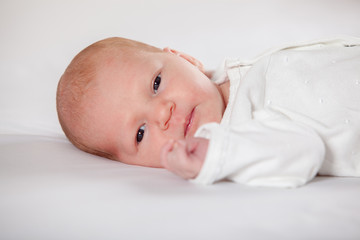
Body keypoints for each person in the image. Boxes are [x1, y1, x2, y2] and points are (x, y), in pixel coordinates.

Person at [57, 36, 360, 188]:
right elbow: (305, 151)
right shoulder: (239, 138)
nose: (163, 114)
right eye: (140, 133)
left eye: (156, 83)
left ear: (185, 58)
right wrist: (216, 155)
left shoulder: (237, 74)